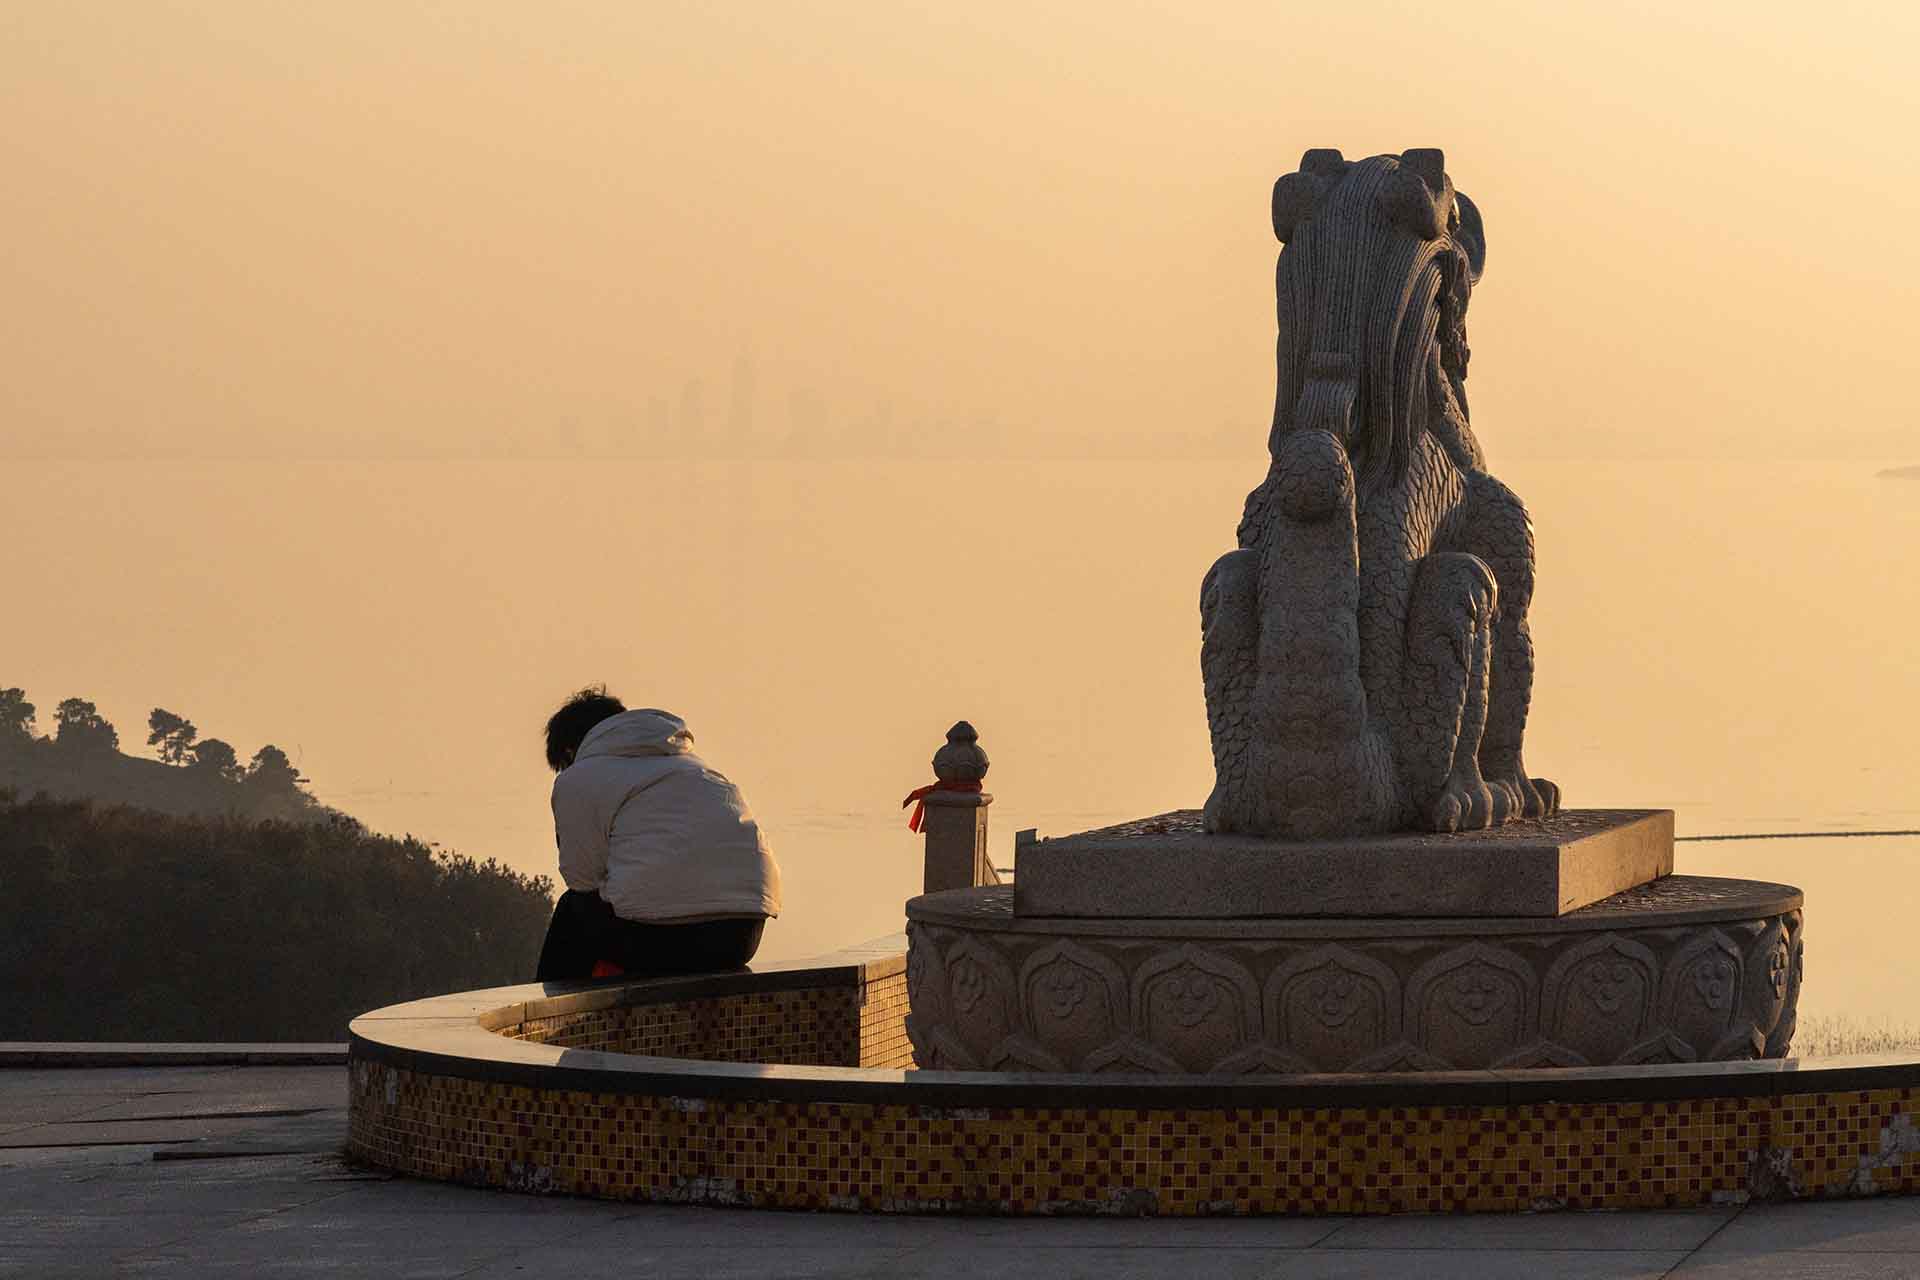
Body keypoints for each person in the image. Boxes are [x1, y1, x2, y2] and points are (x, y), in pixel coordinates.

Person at [534, 686, 781, 982]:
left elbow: (582, 881)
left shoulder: (581, 777)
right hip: (740, 937)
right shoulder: (695, 767)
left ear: (569, 751)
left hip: (661, 939)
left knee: (572, 910)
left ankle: (549, 1008)